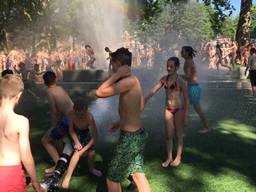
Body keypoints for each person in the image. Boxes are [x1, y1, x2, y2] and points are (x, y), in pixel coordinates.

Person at [96, 47, 151, 192]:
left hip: (130, 138)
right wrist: (121, 122)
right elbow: (140, 107)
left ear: (119, 64)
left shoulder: (128, 81)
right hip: (138, 135)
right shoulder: (134, 80)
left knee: (112, 179)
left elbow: (99, 92)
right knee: (138, 175)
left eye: (113, 64)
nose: (111, 67)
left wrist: (116, 75)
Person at [0, 75, 43, 192]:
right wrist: (35, 181)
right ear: (18, 95)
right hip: (11, 174)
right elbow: (26, 156)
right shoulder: (21, 121)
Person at [144, 57, 189, 168]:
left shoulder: (181, 81)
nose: (168, 68)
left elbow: (187, 99)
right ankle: (169, 157)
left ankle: (178, 157)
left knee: (178, 134)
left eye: (171, 66)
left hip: (179, 110)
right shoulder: (164, 79)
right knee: (169, 135)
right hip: (168, 109)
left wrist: (186, 115)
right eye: (167, 66)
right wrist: (145, 99)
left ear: (177, 67)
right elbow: (153, 90)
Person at [62, 99, 102, 189]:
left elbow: (95, 136)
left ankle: (91, 169)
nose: (80, 116)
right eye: (77, 113)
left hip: (85, 133)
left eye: (82, 114)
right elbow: (71, 130)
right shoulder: (71, 114)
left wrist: (84, 149)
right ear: (74, 110)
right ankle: (67, 177)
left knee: (91, 153)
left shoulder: (89, 117)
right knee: (77, 153)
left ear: (86, 110)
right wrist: (76, 142)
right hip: (75, 134)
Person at [41, 71, 74, 173]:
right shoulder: (60, 88)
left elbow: (54, 110)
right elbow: (66, 106)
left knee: (45, 140)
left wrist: (53, 125)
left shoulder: (49, 91)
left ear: (45, 82)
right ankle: (63, 160)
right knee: (56, 138)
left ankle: (58, 165)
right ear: (56, 79)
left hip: (68, 120)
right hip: (73, 117)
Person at [181, 46, 210, 133]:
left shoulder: (188, 62)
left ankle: (207, 127)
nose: (181, 53)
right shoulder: (188, 61)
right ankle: (180, 125)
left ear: (187, 53)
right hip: (192, 87)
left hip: (193, 88)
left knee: (197, 108)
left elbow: (189, 77)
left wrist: (177, 75)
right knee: (182, 106)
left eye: (182, 51)